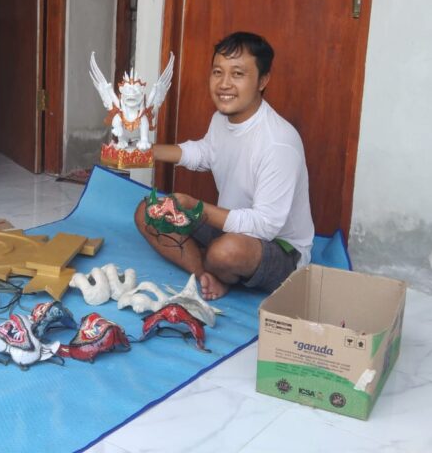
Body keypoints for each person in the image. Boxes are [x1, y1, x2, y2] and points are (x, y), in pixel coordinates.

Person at [134, 31, 314, 300]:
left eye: (238, 74)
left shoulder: (279, 143)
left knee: (226, 252)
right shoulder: (221, 118)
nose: (224, 84)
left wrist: (195, 208)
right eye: (218, 72)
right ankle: (206, 275)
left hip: (278, 247)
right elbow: (206, 152)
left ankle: (215, 264)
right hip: (229, 226)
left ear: (263, 80)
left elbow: (265, 226)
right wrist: (147, 152)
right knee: (148, 212)